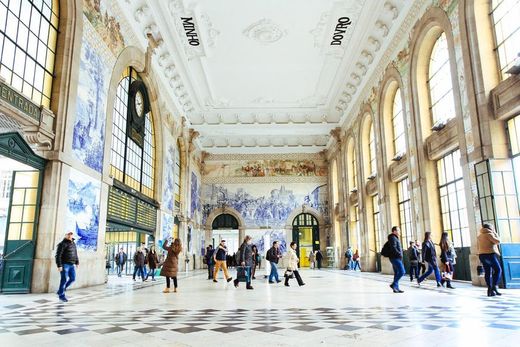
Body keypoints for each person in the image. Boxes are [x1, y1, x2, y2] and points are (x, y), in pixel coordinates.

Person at [477, 223, 502, 297]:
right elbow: (498, 241)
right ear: (490, 228)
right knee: (498, 270)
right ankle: (494, 286)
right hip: (490, 254)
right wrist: (495, 233)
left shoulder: (479, 235)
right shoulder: (489, 234)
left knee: (488, 272)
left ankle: (489, 289)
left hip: (482, 255)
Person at [55, 231, 79, 302]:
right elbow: (58, 255)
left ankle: (60, 290)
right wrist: (59, 265)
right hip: (64, 264)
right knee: (64, 280)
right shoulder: (62, 244)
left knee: (72, 279)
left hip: (71, 265)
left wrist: (77, 262)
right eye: (68, 234)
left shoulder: (73, 243)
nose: (69, 235)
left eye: (70, 234)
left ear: (72, 235)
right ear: (65, 235)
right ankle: (61, 296)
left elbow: (75, 253)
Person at [381, 226, 404, 293]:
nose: (400, 232)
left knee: (397, 273)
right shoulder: (393, 238)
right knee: (402, 271)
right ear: (394, 231)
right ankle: (393, 284)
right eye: (398, 230)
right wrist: (399, 254)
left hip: (395, 257)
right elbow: (393, 248)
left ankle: (396, 288)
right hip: (395, 257)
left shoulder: (394, 238)